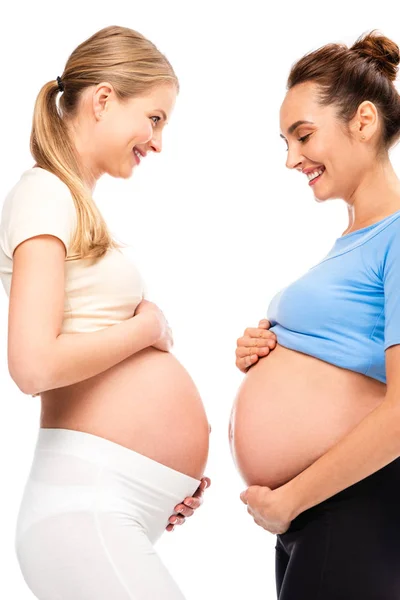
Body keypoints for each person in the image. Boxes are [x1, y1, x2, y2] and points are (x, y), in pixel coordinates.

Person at [0, 25, 211, 600]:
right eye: (155, 118)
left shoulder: (71, 204)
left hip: (108, 500)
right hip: (84, 503)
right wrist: (146, 329)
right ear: (102, 100)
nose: (158, 141)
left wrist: (165, 479)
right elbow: (33, 364)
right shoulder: (44, 193)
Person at [229, 30, 400, 599]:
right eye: (284, 141)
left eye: (303, 136)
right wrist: (267, 349)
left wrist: (290, 500)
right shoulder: (352, 241)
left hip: (355, 503)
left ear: (364, 121)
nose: (290, 158)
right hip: (317, 513)